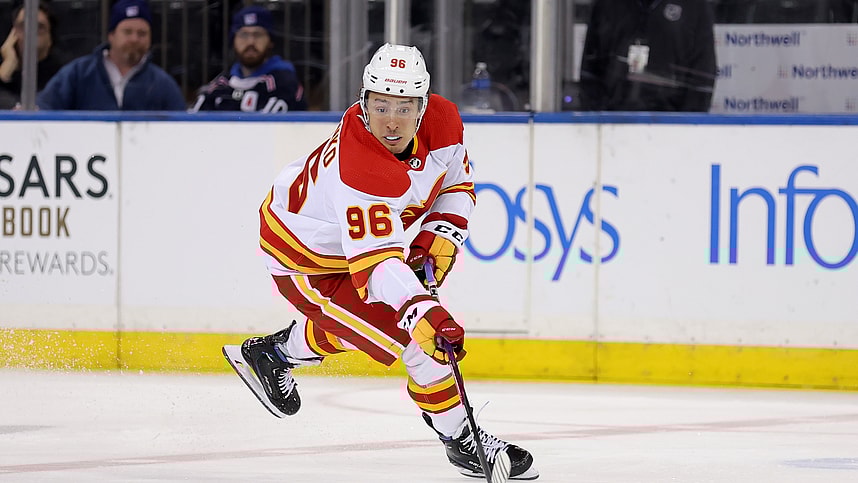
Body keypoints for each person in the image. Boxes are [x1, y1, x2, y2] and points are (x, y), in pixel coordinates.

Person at [236, 43, 538, 480]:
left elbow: (458, 181)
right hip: (306, 262)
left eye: (405, 106)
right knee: (418, 341)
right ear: (363, 103)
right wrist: (422, 308)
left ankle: (273, 353)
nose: (391, 120)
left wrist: (441, 233)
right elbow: (377, 266)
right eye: (380, 106)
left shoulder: (445, 121)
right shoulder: (360, 167)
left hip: (351, 250)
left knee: (368, 327)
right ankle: (463, 442)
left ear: (423, 107)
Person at [36, 0, 185, 111]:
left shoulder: (163, 84)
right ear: (111, 35)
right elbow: (43, 108)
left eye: (142, 33)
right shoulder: (78, 74)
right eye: (127, 32)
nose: (134, 39)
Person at [579, 0, 717, 112]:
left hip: (671, 127)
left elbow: (703, 75)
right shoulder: (606, 5)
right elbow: (590, 72)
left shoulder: (695, 6)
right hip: (613, 125)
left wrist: (683, 128)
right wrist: (597, 120)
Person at [191, 5, 306, 113]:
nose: (251, 42)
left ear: (270, 41)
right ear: (233, 40)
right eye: (243, 35)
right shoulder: (221, 85)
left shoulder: (285, 84)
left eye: (258, 34)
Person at [0, 2, 69, 109]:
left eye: (39, 27)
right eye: (23, 26)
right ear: (12, 34)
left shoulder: (64, 73)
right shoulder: (5, 67)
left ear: (50, 38)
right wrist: (6, 68)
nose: (30, 33)